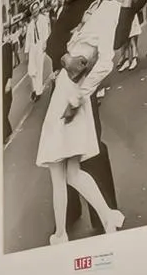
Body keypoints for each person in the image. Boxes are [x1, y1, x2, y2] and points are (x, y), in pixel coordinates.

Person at [36, 41, 128, 244]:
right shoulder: (93, 20)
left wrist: (77, 96)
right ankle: (106, 217)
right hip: (69, 97)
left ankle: (62, 234)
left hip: (67, 101)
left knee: (59, 173)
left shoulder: (98, 20)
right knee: (71, 174)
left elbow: (101, 63)